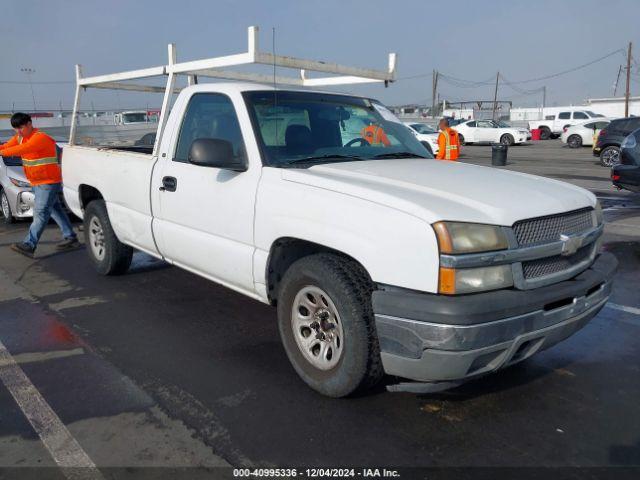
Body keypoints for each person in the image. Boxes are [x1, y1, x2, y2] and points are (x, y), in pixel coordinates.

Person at [0, 113, 79, 257]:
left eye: (21, 127)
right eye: (15, 128)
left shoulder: (40, 137)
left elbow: (19, 150)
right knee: (55, 209)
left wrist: (2, 151)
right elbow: (7, 146)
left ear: (30, 123)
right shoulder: (20, 137)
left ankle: (29, 244)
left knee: (40, 213)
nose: (18, 131)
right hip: (37, 182)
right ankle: (71, 237)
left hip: (47, 182)